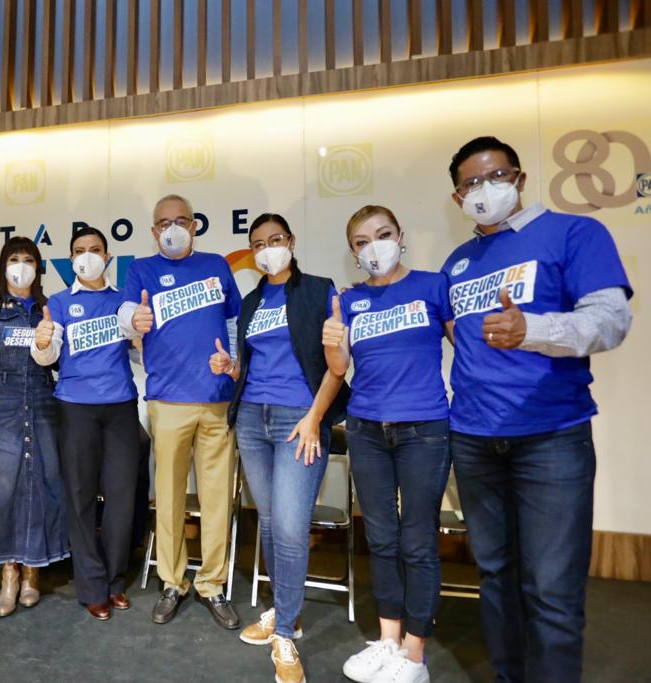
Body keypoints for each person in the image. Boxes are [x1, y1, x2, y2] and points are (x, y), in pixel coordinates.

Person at [442, 136, 632, 682]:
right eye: (471, 183)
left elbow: (610, 321)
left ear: (520, 179)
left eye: (496, 176)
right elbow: (463, 340)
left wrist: (533, 330)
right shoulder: (458, 263)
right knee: (496, 576)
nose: (484, 189)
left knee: (551, 588)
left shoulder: (574, 232)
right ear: (458, 198)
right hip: (474, 438)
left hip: (551, 437)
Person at [210, 212, 347, 683]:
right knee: (269, 521)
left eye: (276, 239)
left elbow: (336, 366)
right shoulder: (252, 301)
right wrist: (231, 368)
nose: (268, 249)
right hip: (252, 418)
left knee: (289, 527)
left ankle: (285, 632)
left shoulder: (319, 290)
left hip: (299, 421)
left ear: (291, 241)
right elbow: (253, 364)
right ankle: (285, 610)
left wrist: (315, 418)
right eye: (259, 243)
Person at [321, 206, 453, 683]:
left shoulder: (433, 286)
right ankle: (388, 638)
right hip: (366, 430)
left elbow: (468, 348)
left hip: (424, 429)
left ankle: (415, 655)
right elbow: (339, 369)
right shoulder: (349, 300)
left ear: (400, 237)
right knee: (380, 538)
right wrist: (332, 340)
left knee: (417, 540)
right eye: (361, 242)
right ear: (353, 252)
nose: (373, 246)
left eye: (382, 234)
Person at [117, 193, 243, 630]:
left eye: (180, 220)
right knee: (168, 498)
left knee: (216, 498)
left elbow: (234, 322)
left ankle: (212, 583)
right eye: (163, 223)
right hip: (167, 401)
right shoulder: (141, 270)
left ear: (194, 225)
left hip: (217, 399)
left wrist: (234, 362)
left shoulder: (217, 266)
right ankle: (172, 582)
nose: (172, 229)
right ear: (154, 231)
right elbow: (127, 313)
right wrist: (135, 321)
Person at [31, 226, 142, 620]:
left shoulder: (123, 300)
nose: (88, 256)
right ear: (71, 259)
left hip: (120, 407)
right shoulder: (60, 302)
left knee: (121, 497)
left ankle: (115, 581)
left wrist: (142, 332)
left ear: (108, 257)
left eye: (95, 249)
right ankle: (92, 586)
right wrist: (42, 342)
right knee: (79, 497)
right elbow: (48, 357)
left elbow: (138, 347)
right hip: (75, 407)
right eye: (80, 250)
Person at [0, 236, 69, 616]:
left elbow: (57, 361)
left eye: (28, 259)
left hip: (41, 399)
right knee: (2, 487)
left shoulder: (49, 307)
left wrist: (47, 340)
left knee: (41, 484)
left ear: (38, 268)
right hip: (1, 402)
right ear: (3, 265)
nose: (20, 266)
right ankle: (9, 572)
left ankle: (33, 571)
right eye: (14, 259)